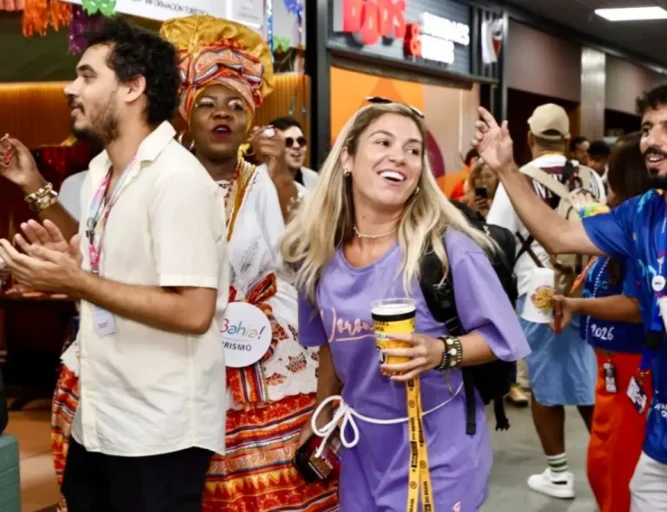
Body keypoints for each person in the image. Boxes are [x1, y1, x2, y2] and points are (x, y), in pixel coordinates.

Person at [473, 79, 667, 511]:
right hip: (663, 432)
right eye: (648, 128)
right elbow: (559, 235)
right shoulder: (641, 212)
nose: (652, 141)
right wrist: (505, 168)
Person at [0, 17, 229, 512]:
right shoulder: (103, 172)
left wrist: (78, 280)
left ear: (132, 87)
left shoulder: (176, 181)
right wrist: (60, 251)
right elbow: (104, 262)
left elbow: (194, 311)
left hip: (159, 432)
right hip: (102, 417)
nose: (70, 88)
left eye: (86, 76)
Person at [280, 99, 531, 510]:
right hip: (361, 450)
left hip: (439, 452)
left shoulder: (446, 250)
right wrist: (321, 415)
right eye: (383, 142)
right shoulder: (319, 257)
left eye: (413, 150)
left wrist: (440, 351)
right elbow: (330, 344)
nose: (399, 156)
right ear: (347, 157)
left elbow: (503, 336)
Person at [159, 14, 339, 511]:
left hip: (263, 341)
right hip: (180, 343)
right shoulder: (163, 178)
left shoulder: (260, 180)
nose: (223, 113)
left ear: (250, 120)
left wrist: (278, 171)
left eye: (237, 105)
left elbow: (299, 253)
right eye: (208, 103)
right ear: (187, 112)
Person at [487, 102, 605, 499]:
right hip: (587, 292)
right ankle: (608, 465)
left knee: (543, 382)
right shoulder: (591, 177)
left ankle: (558, 473)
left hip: (538, 292)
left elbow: (498, 238)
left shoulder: (517, 178)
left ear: (530, 137)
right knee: (590, 380)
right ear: (568, 139)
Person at [552, 132, 653, 512]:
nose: (605, 180)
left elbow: (638, 305)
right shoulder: (614, 223)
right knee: (603, 465)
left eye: (612, 174)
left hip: (634, 369)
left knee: (619, 470)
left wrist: (578, 305)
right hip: (608, 369)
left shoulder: (641, 232)